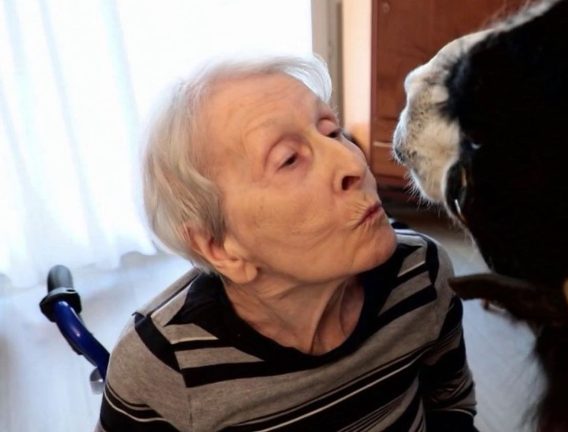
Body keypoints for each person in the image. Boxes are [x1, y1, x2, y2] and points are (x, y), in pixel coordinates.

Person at [96, 56, 477, 432]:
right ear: (219, 246)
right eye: (290, 159)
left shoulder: (421, 274)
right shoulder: (164, 362)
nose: (352, 164)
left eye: (331, 131)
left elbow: (451, 403)